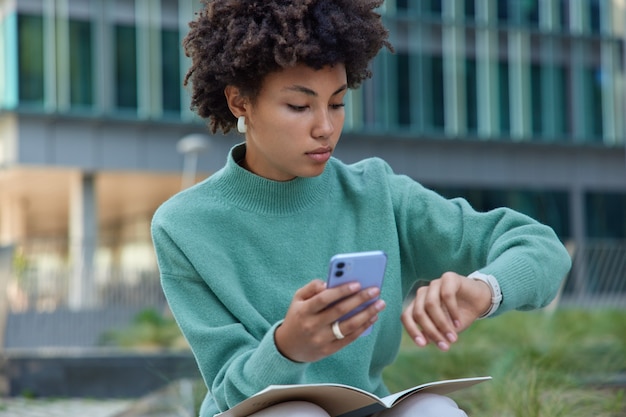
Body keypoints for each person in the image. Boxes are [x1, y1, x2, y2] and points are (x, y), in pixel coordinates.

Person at [150, 1, 572, 416]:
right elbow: (230, 390)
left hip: (363, 409)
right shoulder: (184, 225)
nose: (325, 127)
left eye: (336, 103)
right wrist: (287, 349)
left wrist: (483, 290)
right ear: (240, 103)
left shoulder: (377, 193)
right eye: (299, 106)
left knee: (433, 411)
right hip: (257, 412)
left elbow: (540, 247)